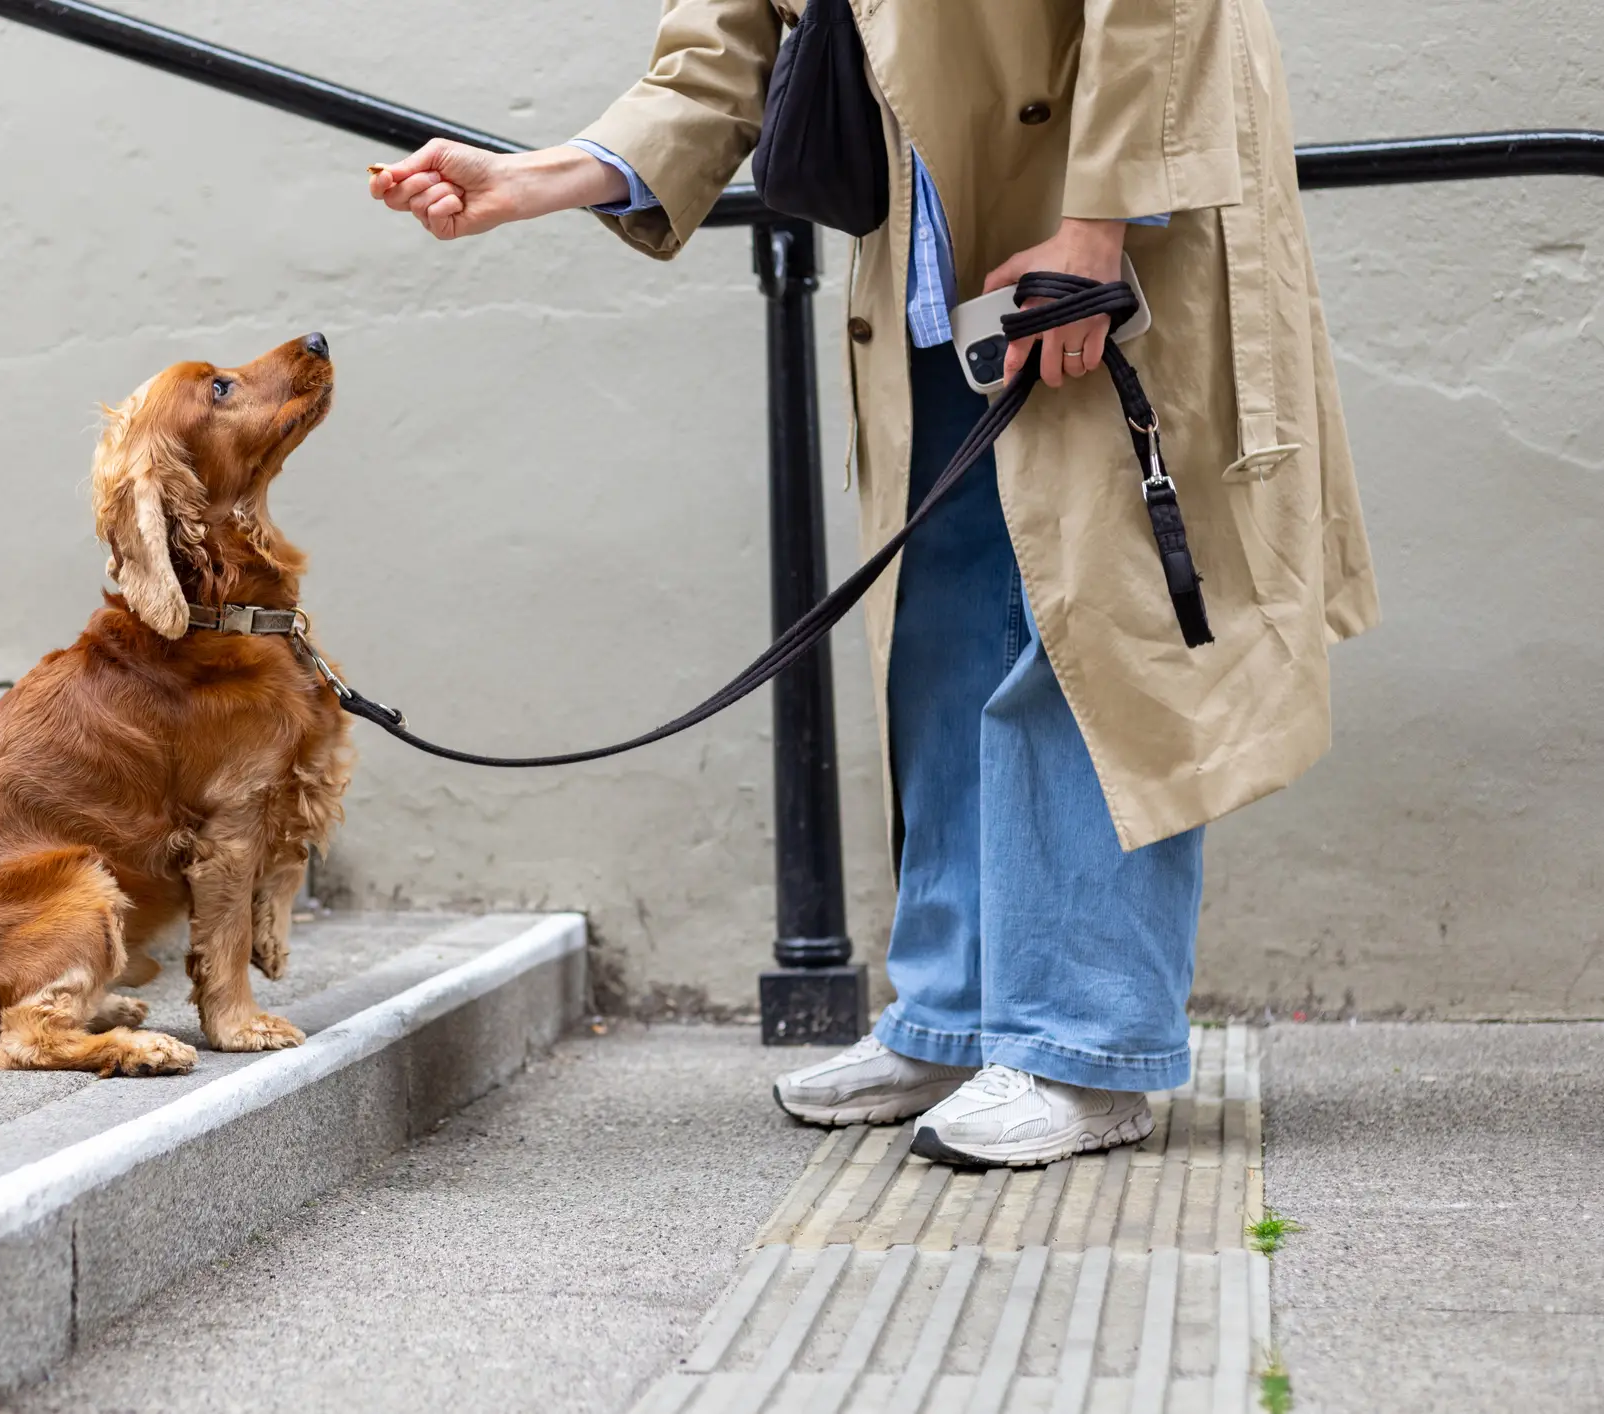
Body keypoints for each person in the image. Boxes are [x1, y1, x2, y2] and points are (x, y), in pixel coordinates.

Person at [366, 0, 1376, 1168]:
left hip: (1097, 222)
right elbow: (726, 38)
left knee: (1088, 629)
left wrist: (1096, 225)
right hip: (933, 244)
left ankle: (1079, 1046)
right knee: (940, 624)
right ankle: (955, 1016)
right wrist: (536, 177)